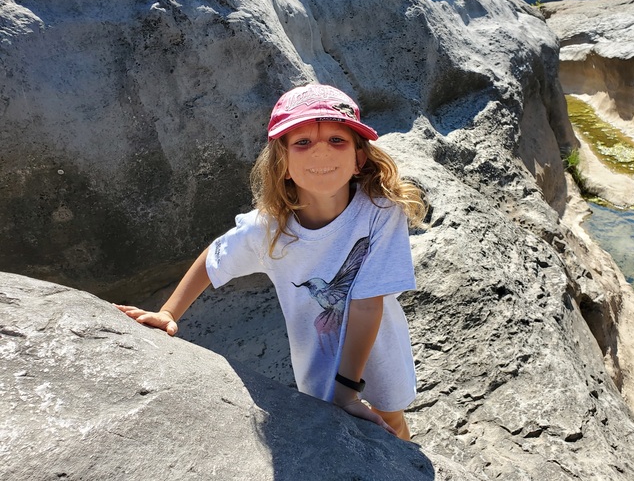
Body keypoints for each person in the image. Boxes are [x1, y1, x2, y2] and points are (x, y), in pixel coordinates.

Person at [115, 84, 426, 440]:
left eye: (337, 140)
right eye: (303, 142)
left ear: (359, 158)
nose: (321, 151)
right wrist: (168, 313)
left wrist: (346, 390)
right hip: (319, 356)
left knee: (391, 418)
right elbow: (215, 257)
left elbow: (367, 308)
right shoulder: (270, 228)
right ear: (284, 163)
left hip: (379, 343)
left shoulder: (380, 212)